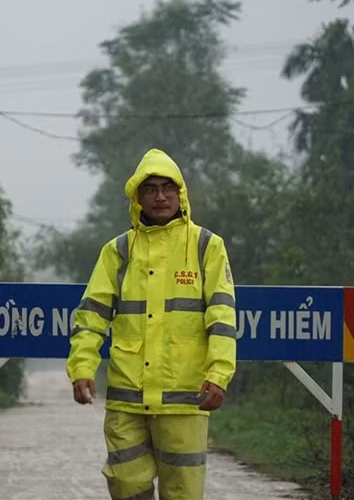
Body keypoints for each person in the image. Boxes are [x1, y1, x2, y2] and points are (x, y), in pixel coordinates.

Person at [66, 147, 237, 500]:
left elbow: (222, 316)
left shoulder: (207, 246)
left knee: (183, 492)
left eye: (167, 188)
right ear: (137, 197)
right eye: (150, 189)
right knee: (126, 485)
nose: (160, 196)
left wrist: (219, 374)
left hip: (185, 398)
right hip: (128, 397)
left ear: (180, 193)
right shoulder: (118, 250)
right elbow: (92, 314)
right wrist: (82, 366)